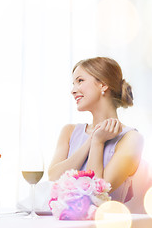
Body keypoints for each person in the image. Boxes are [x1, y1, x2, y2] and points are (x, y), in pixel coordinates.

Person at [48, 57, 143, 203]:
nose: (73, 90)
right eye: (73, 83)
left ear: (103, 84)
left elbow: (97, 193)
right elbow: (53, 178)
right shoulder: (69, 132)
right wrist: (91, 140)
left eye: (80, 81)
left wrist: (98, 142)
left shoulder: (131, 139)